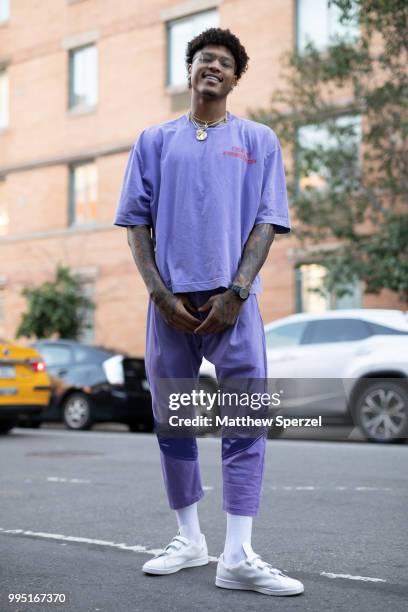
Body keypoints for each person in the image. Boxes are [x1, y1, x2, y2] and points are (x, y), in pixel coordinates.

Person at [114, 27, 304, 597]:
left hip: (233, 304)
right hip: (170, 306)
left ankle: (238, 554)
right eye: (203, 59)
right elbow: (136, 224)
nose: (212, 67)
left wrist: (238, 292)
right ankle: (189, 539)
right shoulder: (154, 140)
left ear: (235, 77)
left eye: (223, 62)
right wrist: (159, 296)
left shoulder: (259, 140)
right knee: (173, 422)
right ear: (190, 71)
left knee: (245, 422)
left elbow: (267, 221)